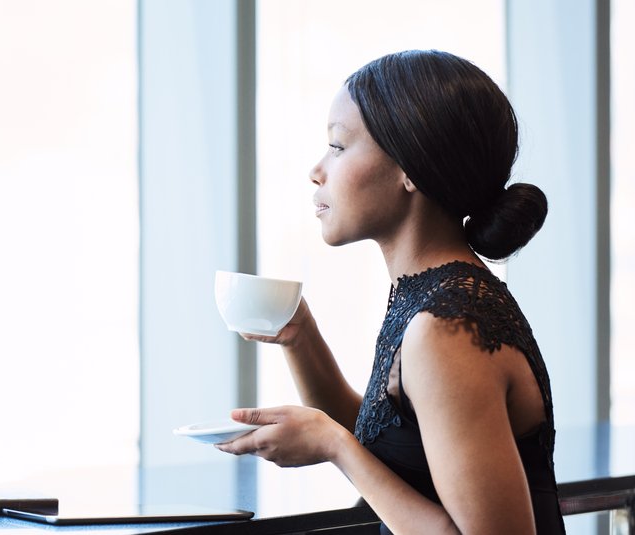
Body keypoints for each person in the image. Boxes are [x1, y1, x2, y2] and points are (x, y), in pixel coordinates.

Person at [215, 50, 565, 534]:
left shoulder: (447, 330)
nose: (316, 170)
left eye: (338, 147)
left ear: (411, 170)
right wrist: (300, 336)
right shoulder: (435, 296)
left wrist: (334, 446)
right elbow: (399, 447)